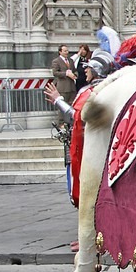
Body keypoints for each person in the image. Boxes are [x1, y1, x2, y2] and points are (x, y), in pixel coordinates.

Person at [45, 49, 114, 251]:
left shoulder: (95, 92)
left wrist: (58, 100)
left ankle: (94, 238)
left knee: (92, 196)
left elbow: (79, 116)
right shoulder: (99, 89)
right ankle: (88, 236)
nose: (86, 71)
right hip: (86, 148)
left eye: (89, 68)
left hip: (91, 151)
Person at [50, 45, 77, 123]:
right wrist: (66, 74)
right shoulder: (56, 61)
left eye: (67, 51)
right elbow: (55, 73)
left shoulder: (71, 60)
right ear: (60, 52)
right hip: (63, 87)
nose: (67, 52)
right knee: (63, 106)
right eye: (65, 51)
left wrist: (75, 75)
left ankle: (71, 122)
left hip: (72, 86)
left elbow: (74, 70)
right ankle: (61, 123)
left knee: (71, 105)